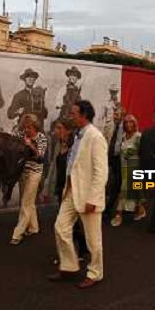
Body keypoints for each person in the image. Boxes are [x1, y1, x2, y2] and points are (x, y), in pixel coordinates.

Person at [49, 100, 108, 289]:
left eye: (74, 113)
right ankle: (68, 265)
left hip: (88, 195)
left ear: (84, 115)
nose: (70, 115)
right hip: (71, 191)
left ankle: (95, 273)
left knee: (93, 239)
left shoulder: (95, 137)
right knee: (60, 227)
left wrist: (94, 198)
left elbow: (101, 171)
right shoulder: (78, 136)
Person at [52, 118, 89, 261]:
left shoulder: (76, 147)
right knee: (69, 223)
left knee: (66, 223)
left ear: (68, 130)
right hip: (61, 187)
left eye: (59, 128)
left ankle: (73, 254)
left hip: (73, 189)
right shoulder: (59, 144)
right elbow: (54, 169)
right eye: (56, 128)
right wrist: (50, 188)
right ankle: (81, 249)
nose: (56, 131)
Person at [10, 114, 48, 244]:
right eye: (25, 127)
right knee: (28, 201)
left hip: (35, 173)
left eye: (29, 127)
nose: (26, 130)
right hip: (22, 172)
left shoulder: (42, 138)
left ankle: (18, 233)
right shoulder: (21, 135)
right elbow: (11, 142)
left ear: (35, 127)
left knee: (26, 202)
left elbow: (40, 157)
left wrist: (30, 145)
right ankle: (33, 227)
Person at [110, 114, 145, 227]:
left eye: (131, 122)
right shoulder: (123, 136)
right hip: (123, 166)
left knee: (124, 190)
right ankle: (140, 209)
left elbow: (142, 153)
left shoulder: (138, 136)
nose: (128, 124)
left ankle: (118, 214)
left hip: (134, 167)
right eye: (126, 122)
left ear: (135, 123)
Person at [102, 105, 125, 225]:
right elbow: (105, 139)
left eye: (117, 114)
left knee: (116, 186)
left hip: (120, 160)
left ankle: (110, 211)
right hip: (109, 158)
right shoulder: (110, 126)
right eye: (114, 114)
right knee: (111, 185)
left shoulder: (126, 128)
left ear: (122, 116)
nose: (115, 116)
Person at [7, 68, 48, 134]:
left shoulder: (39, 94)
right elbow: (10, 114)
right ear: (24, 79)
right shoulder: (19, 95)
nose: (30, 79)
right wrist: (18, 111)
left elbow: (45, 115)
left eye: (32, 77)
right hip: (24, 129)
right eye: (28, 77)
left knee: (44, 142)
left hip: (38, 129)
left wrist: (42, 103)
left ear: (35, 80)